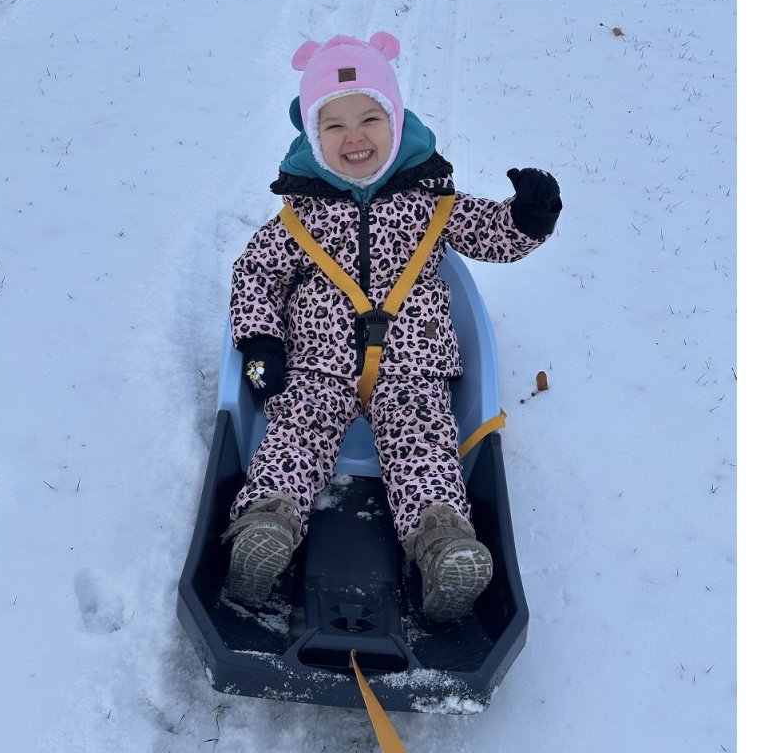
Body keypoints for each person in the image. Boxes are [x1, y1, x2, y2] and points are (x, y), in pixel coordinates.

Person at [221, 32, 562, 622]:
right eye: (334, 125)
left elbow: (490, 235)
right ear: (312, 136)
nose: (354, 137)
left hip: (414, 368)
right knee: (294, 436)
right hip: (316, 365)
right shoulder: (300, 215)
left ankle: (442, 545)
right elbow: (256, 274)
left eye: (370, 119)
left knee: (424, 447)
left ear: (397, 122)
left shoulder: (431, 201)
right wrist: (260, 342)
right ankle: (264, 528)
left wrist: (527, 219)